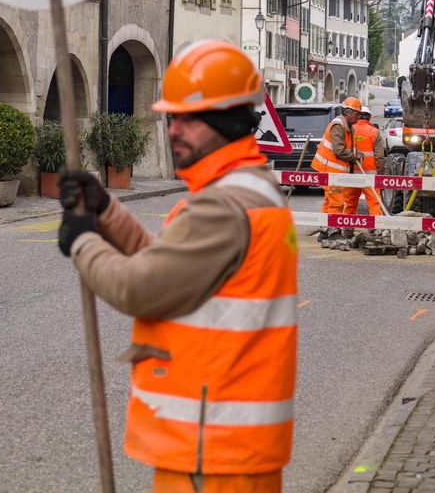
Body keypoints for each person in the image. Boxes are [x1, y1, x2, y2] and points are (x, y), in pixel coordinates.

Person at [57, 40, 297, 493]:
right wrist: (107, 212)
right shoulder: (247, 191)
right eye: (173, 117)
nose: (174, 130)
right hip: (227, 447)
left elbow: (141, 288)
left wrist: (84, 241)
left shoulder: (225, 207)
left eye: (190, 118)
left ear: (226, 122)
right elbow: (172, 267)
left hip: (213, 452)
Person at [310, 97, 363, 214]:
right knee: (336, 203)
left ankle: (325, 228)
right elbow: (338, 150)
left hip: (333, 171)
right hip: (330, 171)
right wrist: (354, 157)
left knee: (329, 201)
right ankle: (333, 229)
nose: (358, 117)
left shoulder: (347, 126)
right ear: (348, 112)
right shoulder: (338, 126)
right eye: (357, 114)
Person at [351, 107, 386, 214]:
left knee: (350, 203)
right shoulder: (374, 132)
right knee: (374, 202)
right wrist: (380, 173)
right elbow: (379, 156)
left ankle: (347, 228)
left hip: (351, 174)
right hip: (370, 175)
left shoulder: (350, 129)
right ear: (369, 117)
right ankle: (376, 229)